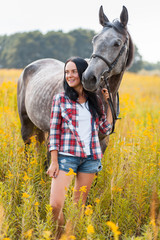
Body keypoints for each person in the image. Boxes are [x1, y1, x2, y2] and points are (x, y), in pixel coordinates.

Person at [46, 56, 113, 239]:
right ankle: (58, 236)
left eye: (74, 71)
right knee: (55, 205)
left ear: (83, 73)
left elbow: (106, 128)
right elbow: (54, 132)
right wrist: (54, 161)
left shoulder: (95, 101)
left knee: (78, 208)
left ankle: (70, 235)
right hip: (66, 158)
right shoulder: (60, 99)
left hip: (90, 160)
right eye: (67, 72)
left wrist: (107, 103)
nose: (70, 75)